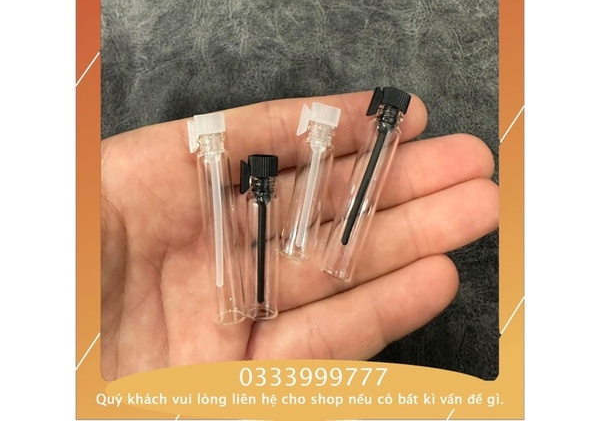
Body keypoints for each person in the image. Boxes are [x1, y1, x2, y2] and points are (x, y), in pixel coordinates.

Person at [100, 90, 498, 380]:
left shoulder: (379, 135)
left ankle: (302, 267)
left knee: (350, 214)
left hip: (318, 251)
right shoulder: (221, 170)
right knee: (244, 272)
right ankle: (260, 294)